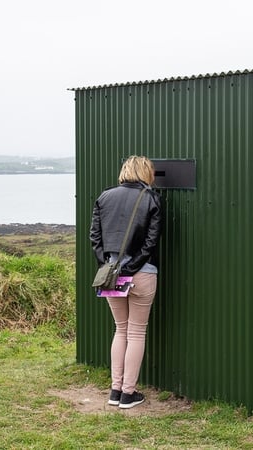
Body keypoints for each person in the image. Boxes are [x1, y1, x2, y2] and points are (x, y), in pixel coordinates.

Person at [90, 156, 163, 409]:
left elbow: (95, 237)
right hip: (142, 273)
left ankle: (115, 390)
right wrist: (133, 267)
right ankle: (128, 393)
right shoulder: (151, 198)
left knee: (120, 330)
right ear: (146, 172)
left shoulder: (105, 196)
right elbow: (151, 241)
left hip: (111, 274)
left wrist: (107, 264)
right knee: (136, 332)